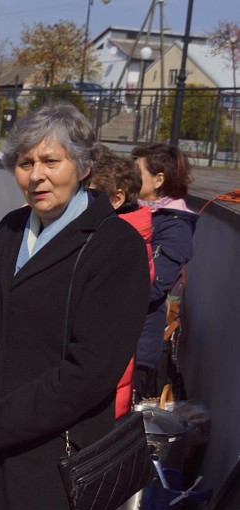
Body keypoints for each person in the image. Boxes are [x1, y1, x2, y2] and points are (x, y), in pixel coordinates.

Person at [0, 101, 150, 510]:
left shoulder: (114, 246)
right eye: (25, 162)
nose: (36, 175)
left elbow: (91, 371)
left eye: (51, 161)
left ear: (84, 166)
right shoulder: (13, 228)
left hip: (52, 464)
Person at [89, 146, 152, 417]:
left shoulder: (123, 243)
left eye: (90, 195)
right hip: (105, 379)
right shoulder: (125, 233)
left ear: (116, 198)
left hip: (102, 385)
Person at [131, 143, 198, 399]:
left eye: (137, 171)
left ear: (159, 180)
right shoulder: (134, 210)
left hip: (137, 348)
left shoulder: (175, 227)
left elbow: (152, 287)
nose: (130, 176)